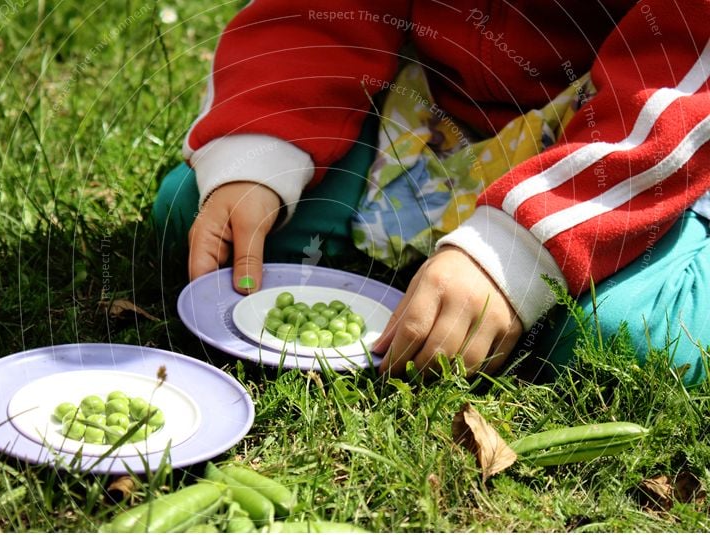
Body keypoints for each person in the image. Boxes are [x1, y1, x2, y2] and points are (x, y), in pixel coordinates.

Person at [154, 0, 710, 384]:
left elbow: (676, 88)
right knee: (210, 218)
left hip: (641, 162)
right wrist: (263, 150)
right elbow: (322, 13)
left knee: (615, 338)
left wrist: (516, 251)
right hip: (433, 115)